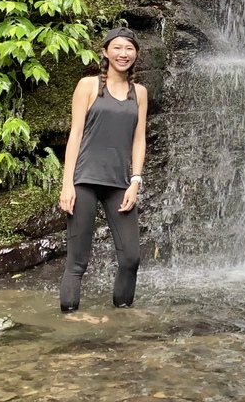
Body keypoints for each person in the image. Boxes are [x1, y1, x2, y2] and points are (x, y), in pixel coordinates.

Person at [59, 26, 147, 311]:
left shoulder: (139, 93)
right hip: (85, 179)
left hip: (120, 182)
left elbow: (139, 139)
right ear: (106, 52)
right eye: (117, 48)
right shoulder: (88, 86)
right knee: (78, 260)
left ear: (135, 54)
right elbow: (75, 134)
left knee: (131, 258)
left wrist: (135, 181)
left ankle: (122, 316)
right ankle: (69, 317)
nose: (123, 54)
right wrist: (67, 184)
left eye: (129, 48)